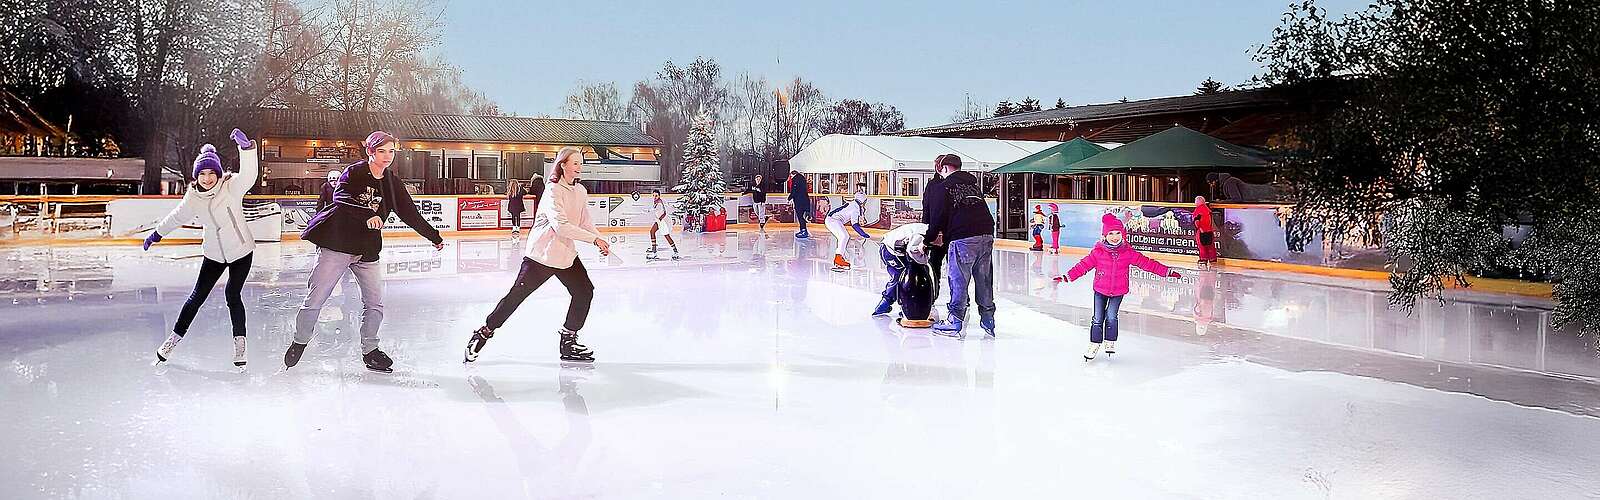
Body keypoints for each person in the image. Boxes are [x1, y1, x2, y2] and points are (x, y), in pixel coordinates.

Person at [285, 131, 444, 373]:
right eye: (381, 151)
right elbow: (340, 196)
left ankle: (370, 350)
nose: (387, 156)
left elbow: (410, 213)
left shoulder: (392, 183)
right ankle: (300, 340)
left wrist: (434, 236)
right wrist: (368, 214)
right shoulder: (355, 172)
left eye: (391, 151)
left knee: (374, 304)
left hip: (366, 250)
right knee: (316, 298)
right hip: (337, 244)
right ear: (370, 151)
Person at [464, 147, 608, 363]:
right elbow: (561, 226)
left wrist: (599, 238)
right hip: (541, 256)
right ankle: (483, 333)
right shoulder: (552, 191)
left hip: (565, 255)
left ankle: (568, 340)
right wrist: (594, 239)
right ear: (563, 166)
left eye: (581, 163)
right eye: (575, 163)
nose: (580, 167)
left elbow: (585, 221)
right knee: (516, 296)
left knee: (584, 291)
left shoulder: (581, 192)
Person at [146, 129, 258, 368]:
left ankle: (240, 343)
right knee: (196, 297)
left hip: (241, 251)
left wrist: (247, 151)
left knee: (232, 294)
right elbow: (177, 216)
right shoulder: (194, 197)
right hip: (214, 254)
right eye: (202, 174)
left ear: (218, 173)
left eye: (212, 173)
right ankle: (173, 340)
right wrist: (157, 233)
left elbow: (249, 175)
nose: (207, 178)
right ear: (196, 176)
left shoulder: (231, 187)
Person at [1055, 214, 1183, 360]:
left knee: (1111, 316)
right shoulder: (1098, 252)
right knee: (1097, 318)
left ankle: (1110, 341)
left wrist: (1167, 271)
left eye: (1118, 233)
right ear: (1104, 236)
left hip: (1118, 291)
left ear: (1123, 235)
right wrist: (1068, 276)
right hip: (1100, 290)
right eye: (1111, 233)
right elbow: (1083, 266)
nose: (1114, 237)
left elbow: (1147, 263)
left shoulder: (1128, 253)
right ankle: (1094, 343)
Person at [923, 154, 997, 338]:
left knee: (958, 280)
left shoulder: (944, 186)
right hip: (986, 234)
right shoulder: (973, 186)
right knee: (984, 279)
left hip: (963, 237)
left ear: (944, 168)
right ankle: (988, 319)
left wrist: (927, 239)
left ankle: (955, 321)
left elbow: (938, 217)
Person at [872, 222, 931, 317]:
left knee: (904, 276)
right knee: (901, 277)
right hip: (890, 251)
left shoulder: (926, 229)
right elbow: (912, 250)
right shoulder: (922, 234)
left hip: (892, 249)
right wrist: (925, 261)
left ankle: (895, 303)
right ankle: (888, 303)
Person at [922, 156, 950, 302]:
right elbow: (926, 207)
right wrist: (927, 231)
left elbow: (927, 208)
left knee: (953, 266)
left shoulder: (943, 184)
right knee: (935, 265)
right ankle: (933, 293)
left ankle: (960, 297)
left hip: (948, 232)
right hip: (937, 232)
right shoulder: (932, 185)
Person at [824, 183, 868, 270]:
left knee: (842, 237)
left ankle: (840, 257)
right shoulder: (855, 208)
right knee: (844, 236)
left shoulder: (853, 204)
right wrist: (863, 234)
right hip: (833, 220)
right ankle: (838, 258)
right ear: (863, 201)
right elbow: (855, 224)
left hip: (831, 220)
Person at [647, 189, 681, 260]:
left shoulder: (659, 203)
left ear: (659, 196)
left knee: (666, 236)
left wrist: (649, 211)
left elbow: (663, 212)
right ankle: (654, 251)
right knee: (652, 232)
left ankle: (675, 251)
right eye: (653, 195)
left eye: (656, 195)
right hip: (659, 220)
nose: (654, 197)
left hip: (664, 221)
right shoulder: (656, 202)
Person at [1194, 196, 1218, 268]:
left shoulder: (1198, 210)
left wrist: (1198, 228)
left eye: (1195, 201)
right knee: (1211, 246)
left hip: (1202, 231)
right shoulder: (1208, 210)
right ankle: (1212, 260)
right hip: (1209, 231)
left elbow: (1197, 222)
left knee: (1202, 247)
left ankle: (1203, 260)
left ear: (1198, 202)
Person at [787, 171, 811, 238]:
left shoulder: (795, 179)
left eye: (791, 176)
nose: (791, 178)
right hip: (805, 200)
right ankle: (803, 230)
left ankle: (803, 230)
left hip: (799, 201)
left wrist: (789, 198)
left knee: (800, 216)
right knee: (803, 216)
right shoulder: (803, 179)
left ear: (793, 174)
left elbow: (794, 190)